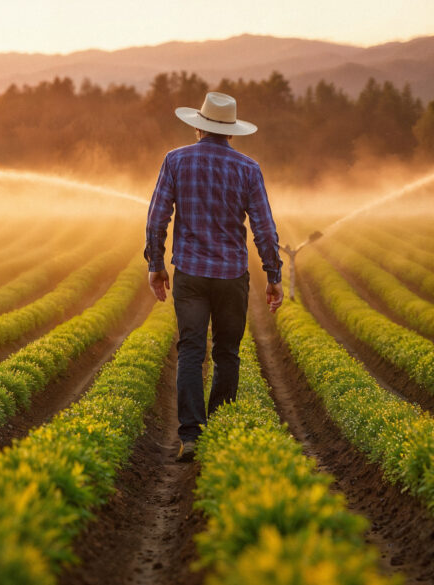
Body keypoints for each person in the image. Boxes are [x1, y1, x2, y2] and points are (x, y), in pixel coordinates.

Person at [144, 91, 284, 463]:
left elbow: (157, 219)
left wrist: (155, 265)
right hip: (231, 275)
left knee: (191, 350)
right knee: (227, 353)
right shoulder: (248, 169)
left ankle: (191, 436)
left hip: (189, 272)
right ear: (232, 133)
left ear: (198, 128)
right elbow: (265, 230)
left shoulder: (175, 160)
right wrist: (274, 275)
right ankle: (220, 430)